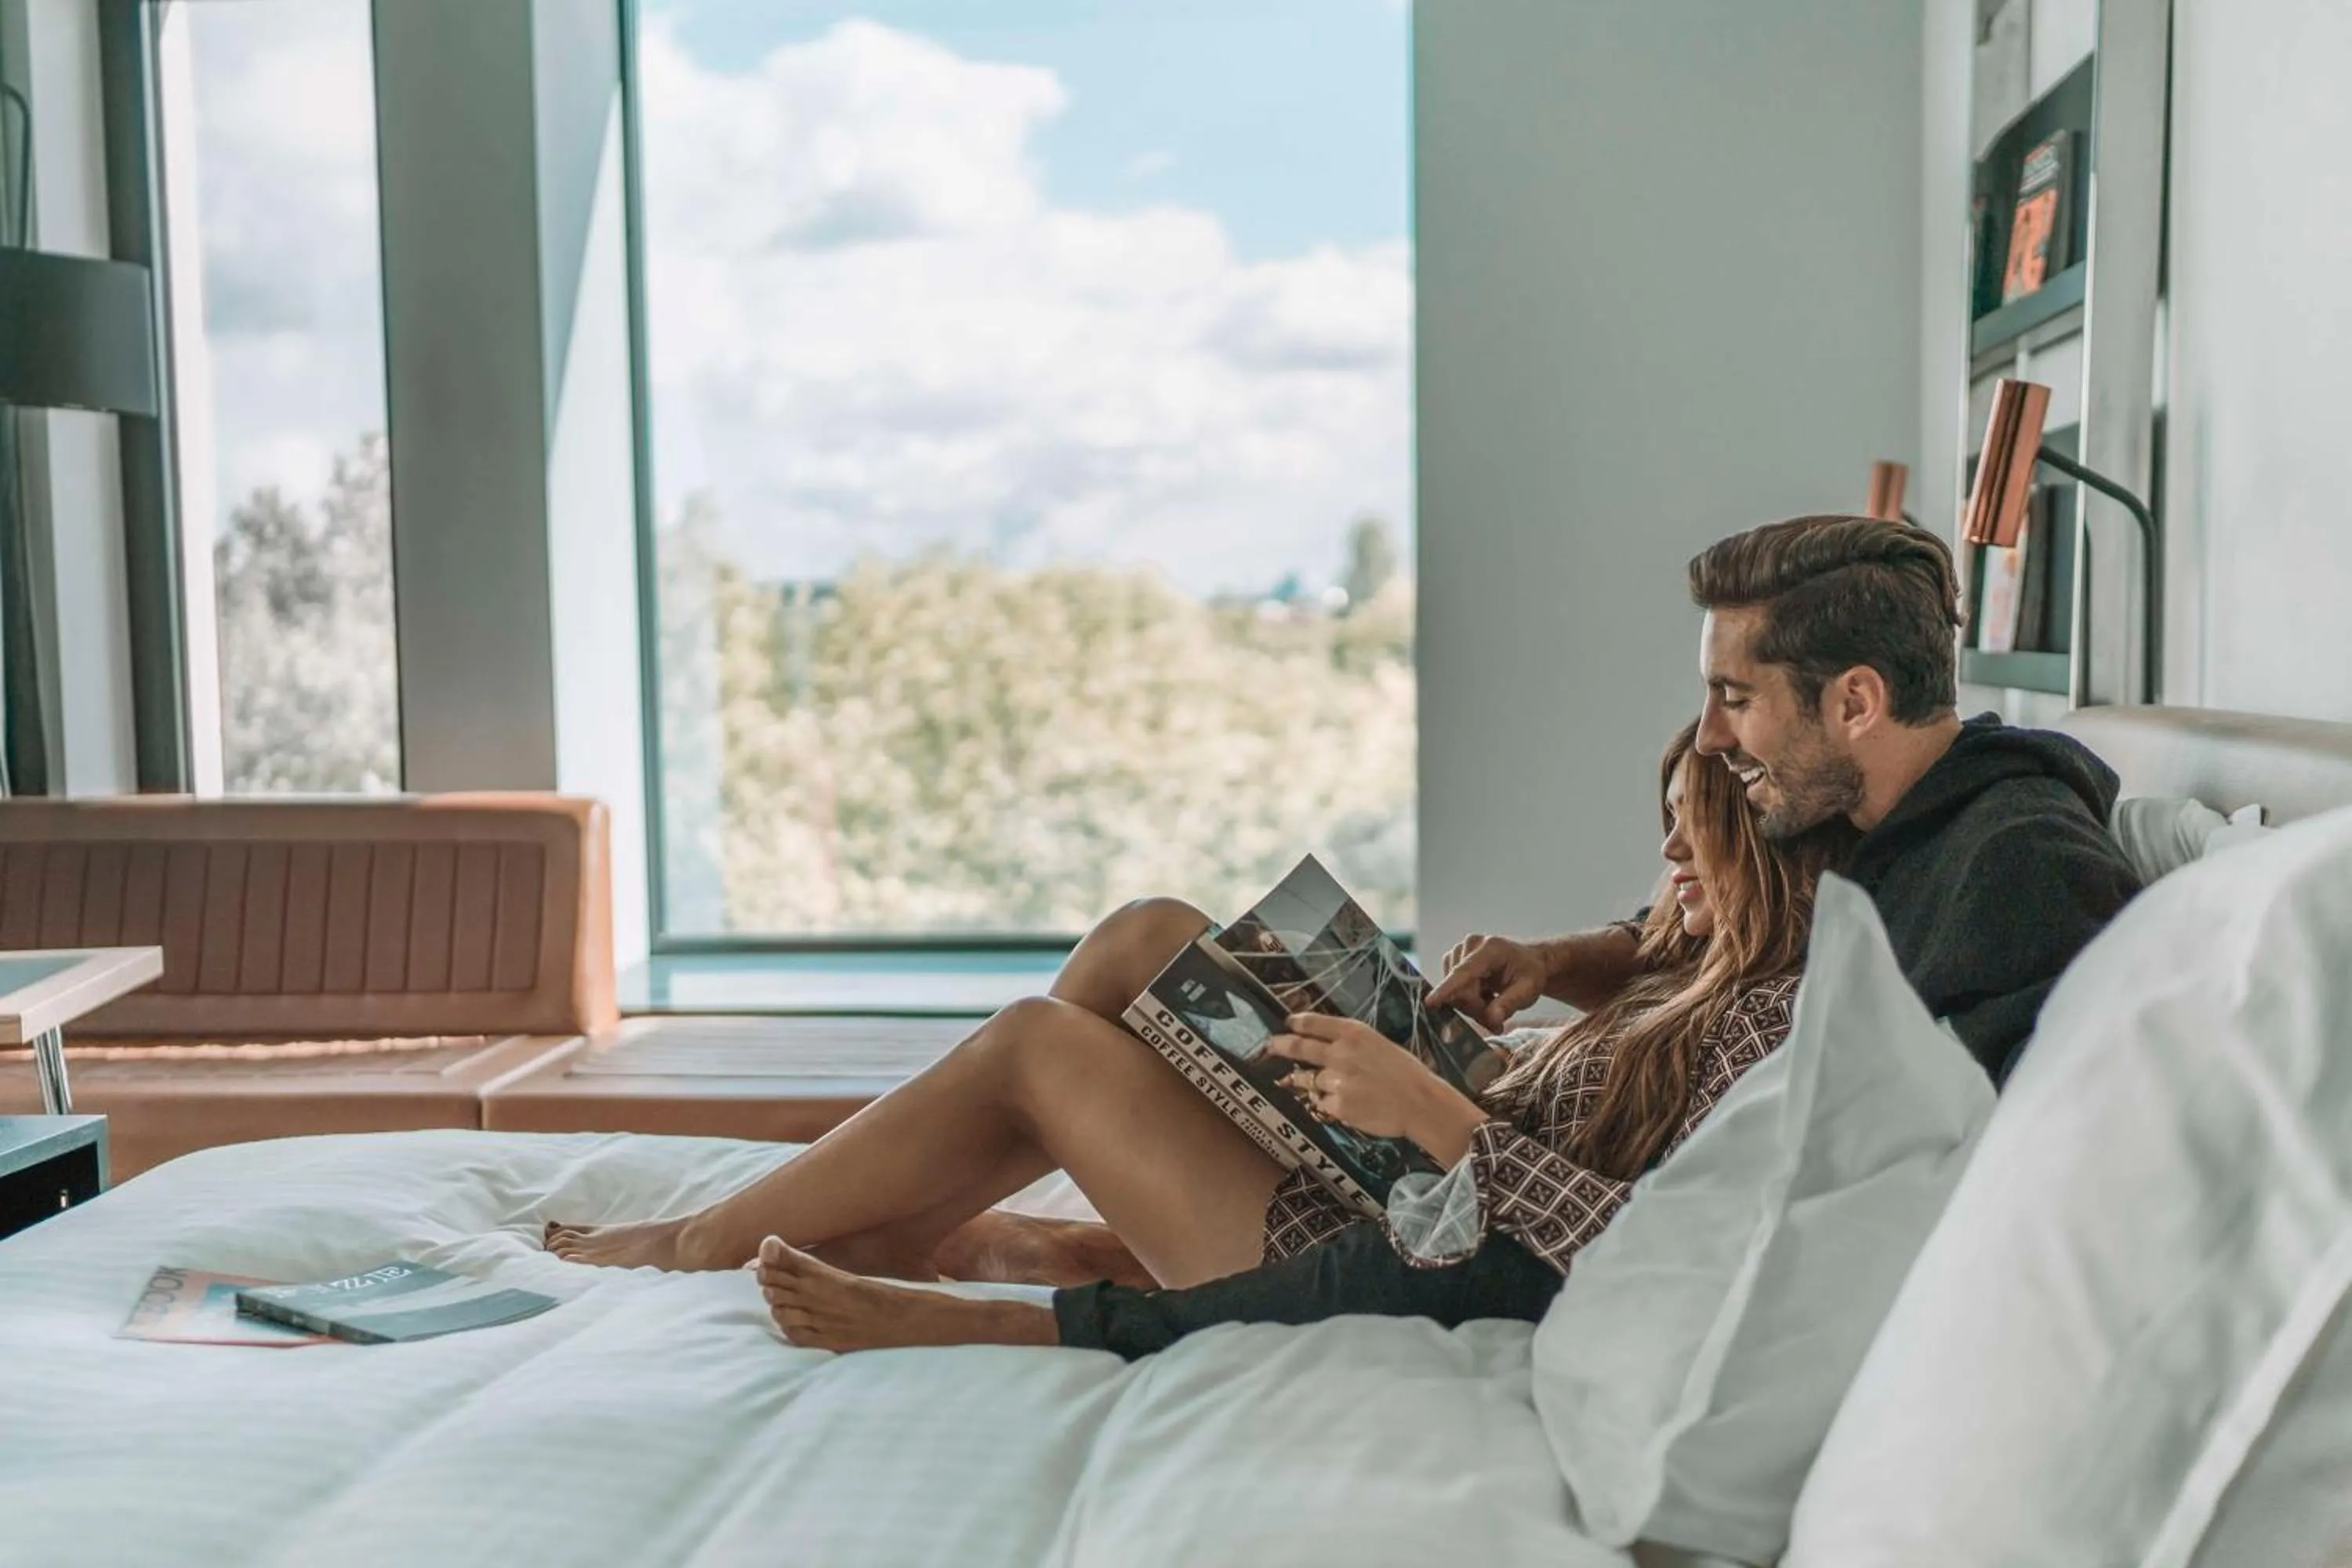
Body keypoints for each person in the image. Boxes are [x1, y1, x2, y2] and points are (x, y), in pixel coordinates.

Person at [548, 724, 1849, 1358]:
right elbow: (1655, 941)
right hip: (1421, 1162)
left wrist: (1432, 1109)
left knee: (1036, 1047)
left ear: (1773, 854)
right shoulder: (1716, 950)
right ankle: (915, 1220)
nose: (1668, 854)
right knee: (1146, 936)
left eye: (1694, 834)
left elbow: (1649, 1254)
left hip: (1412, 1237)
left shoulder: (1778, 1021)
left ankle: (699, 1244)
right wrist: (1548, 975)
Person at [1432, 514, 2140, 1086]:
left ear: (1855, 702)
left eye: (1736, 698)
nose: (1709, 737)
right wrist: (1547, 963)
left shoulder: (2020, 868)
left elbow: (2058, 1152)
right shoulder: (1844, 812)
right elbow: (1696, 944)